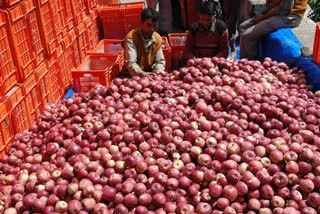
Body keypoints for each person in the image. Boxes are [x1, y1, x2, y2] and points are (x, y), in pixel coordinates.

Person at [239, 0, 308, 60]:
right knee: (242, 26)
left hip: (290, 16)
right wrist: (261, 14)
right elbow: (271, 5)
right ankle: (243, 59)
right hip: (277, 12)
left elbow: (283, 10)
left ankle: (252, 63)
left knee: (247, 35)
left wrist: (262, 18)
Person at [124, 8, 165, 77]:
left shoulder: (157, 38)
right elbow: (131, 62)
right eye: (148, 25)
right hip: (134, 75)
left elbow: (160, 61)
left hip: (150, 74)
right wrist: (141, 73)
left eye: (154, 26)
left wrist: (158, 72)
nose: (152, 29)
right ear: (142, 23)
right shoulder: (131, 37)